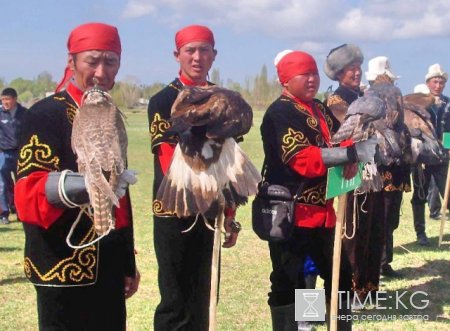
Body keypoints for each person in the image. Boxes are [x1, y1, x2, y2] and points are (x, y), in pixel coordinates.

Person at [14, 22, 139, 331]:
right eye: (92, 60)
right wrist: (86, 186)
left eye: (110, 61)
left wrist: (127, 262)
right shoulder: (45, 114)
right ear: (71, 62)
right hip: (60, 262)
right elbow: (28, 195)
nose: (101, 71)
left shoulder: (111, 112)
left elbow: (119, 203)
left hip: (108, 265)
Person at [261, 49, 377, 331]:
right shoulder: (279, 113)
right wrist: (348, 156)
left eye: (314, 73)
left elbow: (339, 138)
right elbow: (302, 158)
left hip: (322, 211)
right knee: (291, 278)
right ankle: (301, 325)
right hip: (289, 212)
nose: (312, 79)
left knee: (338, 273)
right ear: (286, 80)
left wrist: (349, 151)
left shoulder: (319, 108)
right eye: (304, 74)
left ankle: (337, 326)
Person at [148, 24, 241, 331]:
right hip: (175, 210)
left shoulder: (225, 99)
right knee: (176, 299)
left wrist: (230, 213)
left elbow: (230, 162)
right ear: (178, 55)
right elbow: (167, 161)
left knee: (205, 294)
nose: (197, 57)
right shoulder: (163, 101)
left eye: (204, 50)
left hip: (212, 211)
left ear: (214, 55)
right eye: (190, 50)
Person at [363, 56, 411, 277]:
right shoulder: (395, 92)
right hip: (393, 162)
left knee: (377, 214)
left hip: (374, 163)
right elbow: (396, 123)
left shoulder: (365, 94)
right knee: (387, 215)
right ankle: (382, 261)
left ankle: (378, 262)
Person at [411, 64, 450, 246]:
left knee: (448, 194)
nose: (438, 85)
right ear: (428, 83)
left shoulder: (448, 104)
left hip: (442, 157)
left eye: (441, 82)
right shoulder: (417, 104)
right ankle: (421, 234)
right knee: (419, 195)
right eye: (435, 81)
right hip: (421, 159)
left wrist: (448, 145)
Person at [0, 88, 26, 224]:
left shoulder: (25, 114)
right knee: (3, 184)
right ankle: (4, 213)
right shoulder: (0, 114)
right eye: (3, 99)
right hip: (4, 153)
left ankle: (20, 212)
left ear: (15, 99)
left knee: (21, 183)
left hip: (21, 153)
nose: (5, 102)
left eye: (7, 99)